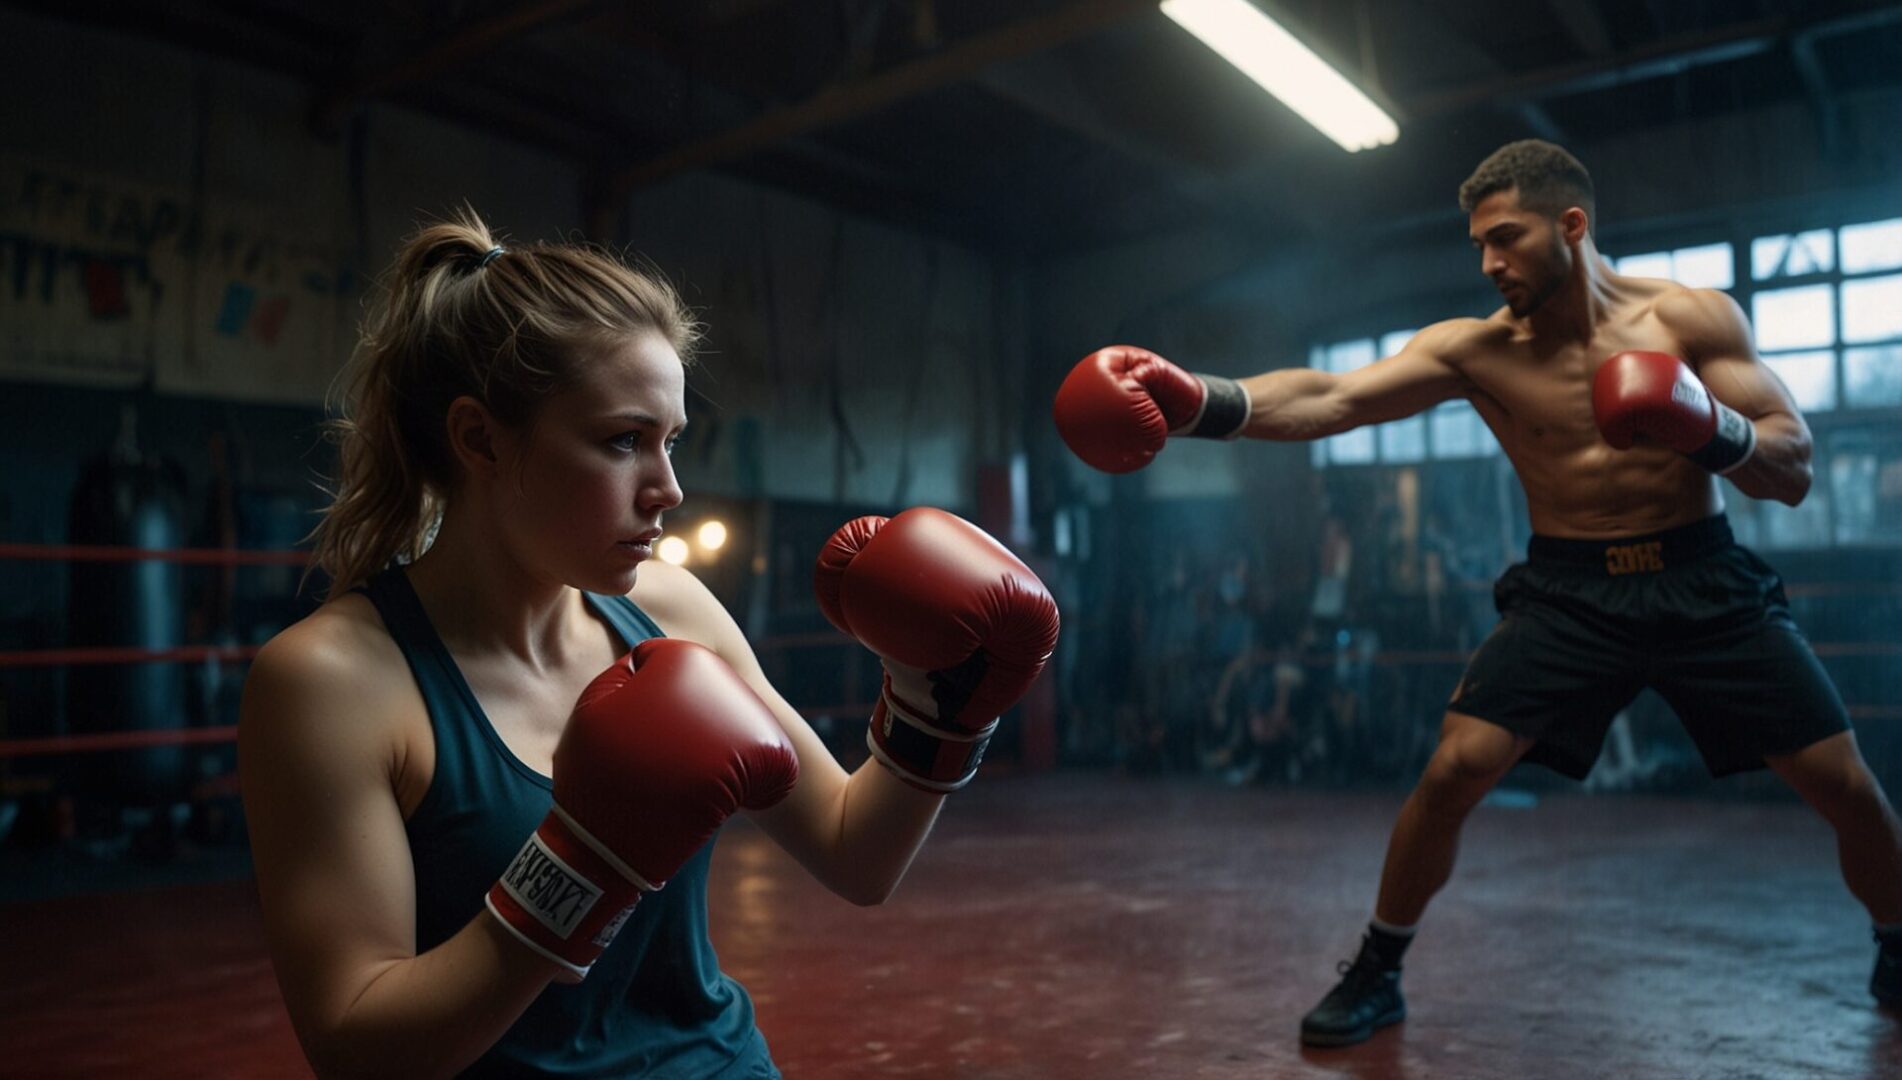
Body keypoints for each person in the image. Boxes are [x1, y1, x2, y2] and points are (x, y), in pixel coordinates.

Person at [1051, 138, 1902, 1045]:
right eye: (1478, 247)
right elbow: (1335, 397)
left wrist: (1707, 426)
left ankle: (1897, 939)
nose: (1489, 263)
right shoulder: (1475, 350)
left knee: (1842, 785)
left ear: (1571, 226)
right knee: (1454, 770)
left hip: (1701, 577)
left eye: (1505, 238)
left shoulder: (1690, 320)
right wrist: (1202, 403)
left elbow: (1794, 467)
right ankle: (1378, 969)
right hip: (1569, 593)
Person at [239, 212, 1059, 1078]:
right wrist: (578, 869)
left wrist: (938, 711)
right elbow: (356, 1049)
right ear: (479, 438)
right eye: (623, 441)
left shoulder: (668, 606)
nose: (667, 488)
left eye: (670, 442)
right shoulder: (330, 683)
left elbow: (856, 852)